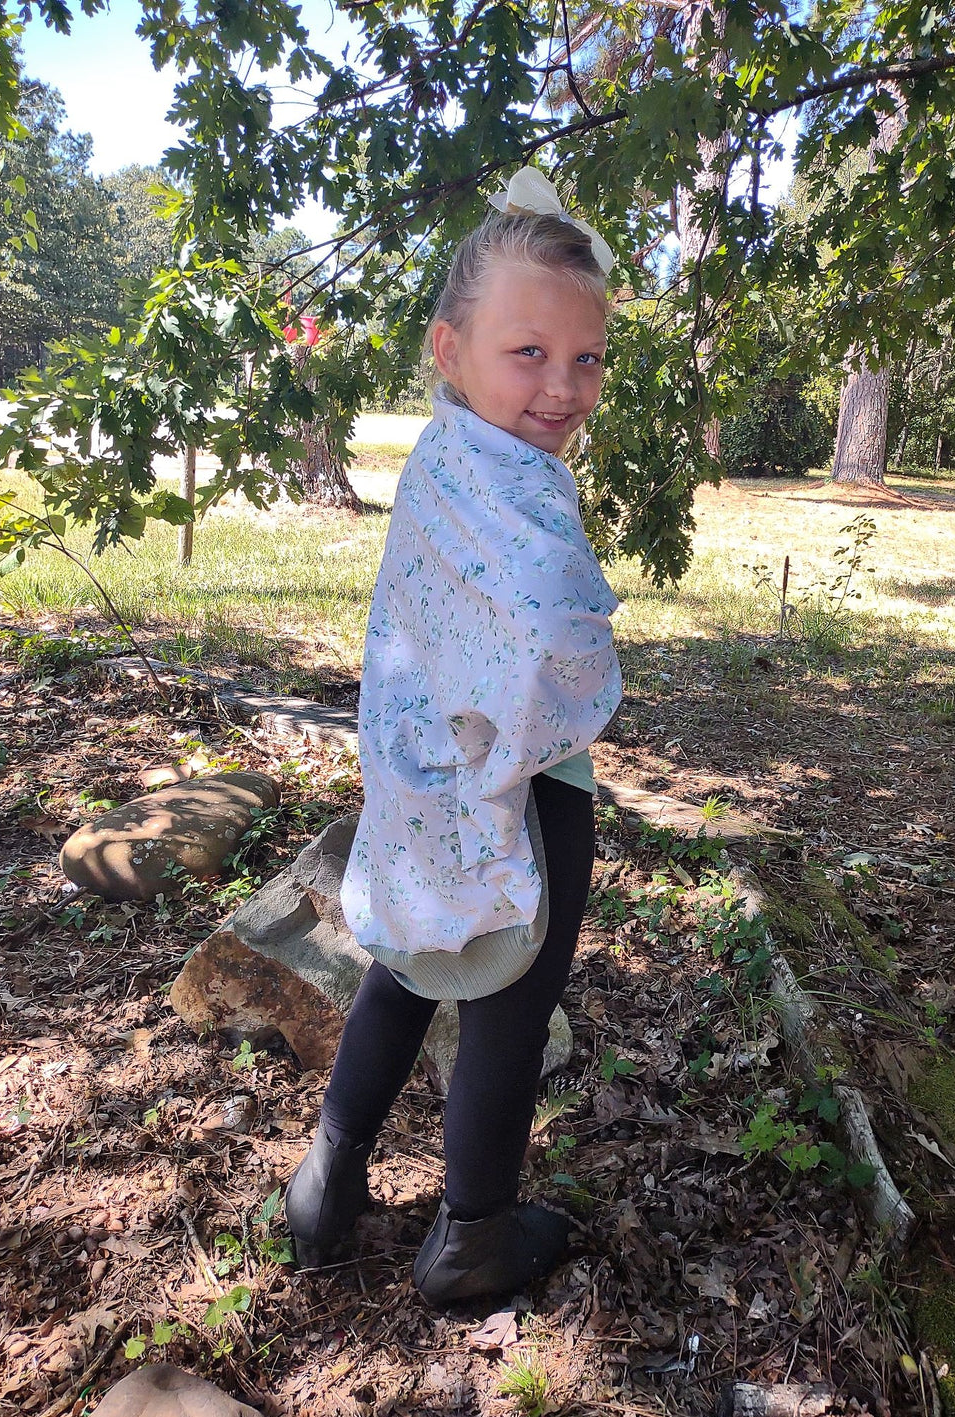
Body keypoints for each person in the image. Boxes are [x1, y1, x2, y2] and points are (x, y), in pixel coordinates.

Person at [286, 166, 622, 1307]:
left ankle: (327, 1180)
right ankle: (471, 1237)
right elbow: (551, 634)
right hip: (521, 781)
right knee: (507, 1009)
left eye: (587, 358)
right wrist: (572, 687)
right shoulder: (511, 485)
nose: (562, 386)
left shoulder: (442, 459)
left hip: (420, 779)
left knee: (408, 965)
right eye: (529, 352)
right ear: (450, 348)